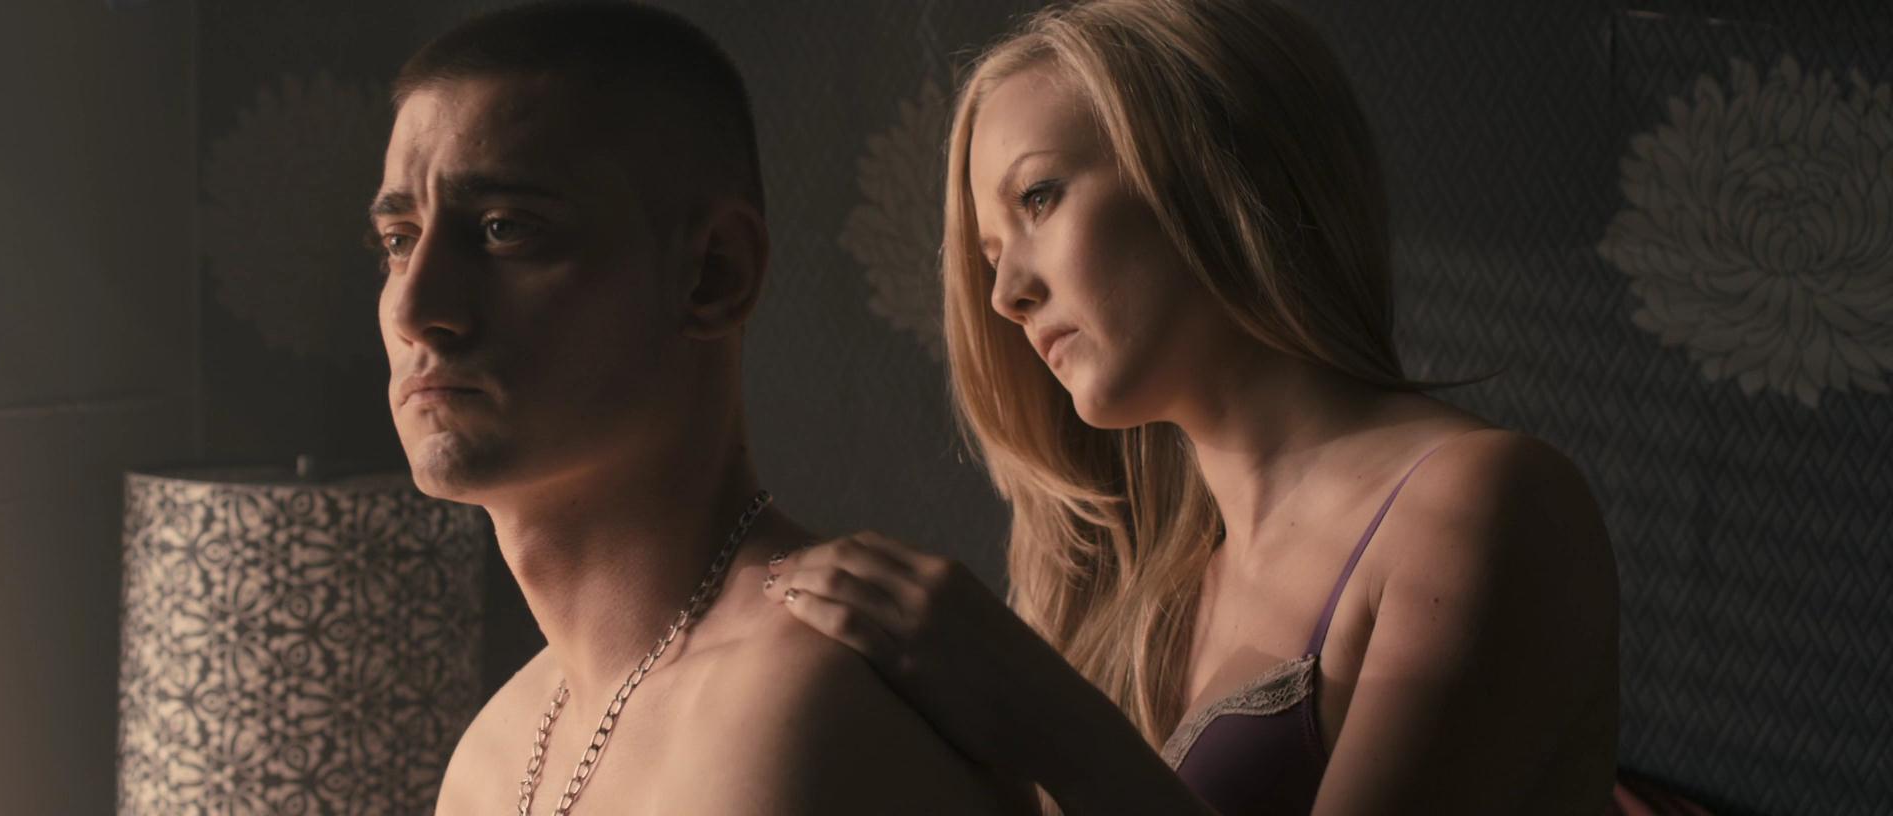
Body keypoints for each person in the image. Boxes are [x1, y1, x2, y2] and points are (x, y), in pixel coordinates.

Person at [762, 0, 1620, 813]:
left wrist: (1044, 715)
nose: (1006, 295)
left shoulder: (1480, 504)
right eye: (990, 255)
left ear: (1213, 166)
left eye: (1039, 198)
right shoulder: (1128, 589)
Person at [369, 2, 1025, 814]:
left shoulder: (801, 705)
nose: (415, 307)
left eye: (505, 228)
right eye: (399, 240)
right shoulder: (490, 759)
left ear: (714, 273)